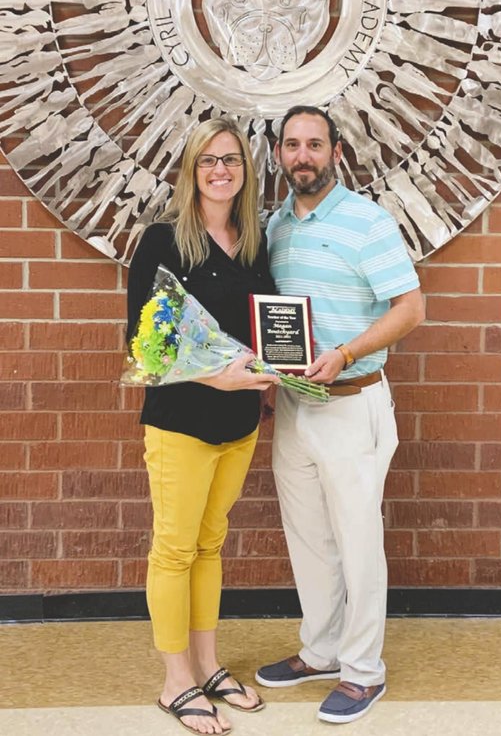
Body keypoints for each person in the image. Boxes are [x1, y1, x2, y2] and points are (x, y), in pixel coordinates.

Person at [256, 106, 425, 724]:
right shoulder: (275, 225)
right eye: (293, 145)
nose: (304, 156)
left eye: (315, 145)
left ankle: (363, 672)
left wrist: (348, 352)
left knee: (357, 544)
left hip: (353, 404)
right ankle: (321, 651)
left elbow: (410, 307)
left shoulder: (366, 221)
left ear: (336, 152)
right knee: (310, 541)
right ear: (279, 154)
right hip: (297, 406)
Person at [127, 117, 279, 735]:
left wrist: (277, 369)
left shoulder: (251, 242)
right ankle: (175, 681)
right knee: (174, 549)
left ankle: (209, 666)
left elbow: (267, 325)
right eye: (208, 161)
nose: (221, 170)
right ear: (191, 171)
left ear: (245, 172)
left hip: (240, 423)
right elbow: (148, 349)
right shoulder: (163, 243)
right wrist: (218, 378)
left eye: (232, 161)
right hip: (181, 424)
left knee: (211, 546)